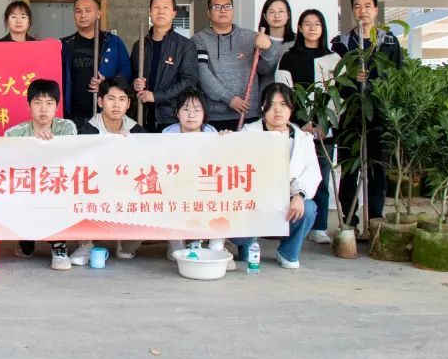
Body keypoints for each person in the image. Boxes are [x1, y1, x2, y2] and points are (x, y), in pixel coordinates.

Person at [330, 0, 403, 234]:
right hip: (351, 115)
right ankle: (349, 221)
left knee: (377, 169)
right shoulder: (341, 43)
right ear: (352, 10)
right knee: (349, 169)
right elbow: (334, 80)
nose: (362, 11)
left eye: (367, 6)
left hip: (379, 115)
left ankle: (375, 221)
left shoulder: (389, 41)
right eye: (357, 6)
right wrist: (352, 78)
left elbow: (398, 77)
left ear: (376, 10)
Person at [232, 83, 321, 269]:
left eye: (283, 104)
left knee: (309, 208)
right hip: (253, 203)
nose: (277, 110)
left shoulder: (303, 139)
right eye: (271, 105)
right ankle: (247, 243)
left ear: (291, 108)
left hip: (285, 203)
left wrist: (299, 195)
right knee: (235, 218)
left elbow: (311, 173)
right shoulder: (248, 133)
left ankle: (288, 252)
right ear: (263, 107)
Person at [276, 9, 340, 245]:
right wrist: (301, 122)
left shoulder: (333, 59)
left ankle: (319, 226)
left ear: (323, 28)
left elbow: (338, 95)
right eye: (307, 23)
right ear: (300, 28)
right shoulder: (289, 57)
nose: (312, 28)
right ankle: (287, 224)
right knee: (291, 176)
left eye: (317, 24)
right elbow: (284, 91)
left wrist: (324, 122)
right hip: (296, 128)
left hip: (324, 129)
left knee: (321, 177)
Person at [3, 78, 78, 270]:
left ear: (57, 107)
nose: (43, 109)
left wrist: (50, 148)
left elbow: (71, 161)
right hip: (27, 187)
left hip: (56, 186)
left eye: (49, 103)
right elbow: (8, 168)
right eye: (37, 103)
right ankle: (26, 237)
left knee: (60, 188)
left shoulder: (67, 128)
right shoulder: (13, 134)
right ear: (28, 106)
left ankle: (59, 246)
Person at [78, 76, 146, 261]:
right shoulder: (86, 130)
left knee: (127, 251)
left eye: (122, 99)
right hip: (95, 191)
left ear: (128, 103)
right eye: (111, 99)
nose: (116, 105)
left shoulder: (137, 132)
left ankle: (125, 242)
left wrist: (131, 149)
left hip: (126, 192)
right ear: (100, 102)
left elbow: (147, 167)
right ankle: (85, 244)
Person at [192, 0, 280, 131]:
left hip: (248, 113)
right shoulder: (199, 40)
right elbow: (202, 74)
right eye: (216, 7)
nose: (223, 10)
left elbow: (266, 69)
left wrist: (268, 48)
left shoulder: (251, 37)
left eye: (227, 6)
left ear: (233, 10)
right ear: (208, 12)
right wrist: (229, 99)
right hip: (214, 116)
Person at [160, 88, 222, 261]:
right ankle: (176, 246)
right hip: (176, 189)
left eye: (197, 110)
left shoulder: (212, 134)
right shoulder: (167, 135)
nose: (191, 115)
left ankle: (217, 247)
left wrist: (227, 140)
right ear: (177, 113)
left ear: (204, 114)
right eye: (186, 109)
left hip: (205, 189)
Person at [130, 0, 198, 131]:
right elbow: (131, 75)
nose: (160, 11)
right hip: (142, 116)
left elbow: (189, 81)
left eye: (165, 7)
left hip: (172, 117)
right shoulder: (140, 45)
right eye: (156, 7)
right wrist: (134, 83)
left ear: (174, 13)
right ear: (150, 12)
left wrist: (156, 96)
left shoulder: (185, 45)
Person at [60, 0, 131, 126]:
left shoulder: (113, 42)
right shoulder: (65, 44)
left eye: (88, 10)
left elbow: (126, 74)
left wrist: (107, 84)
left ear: (98, 14)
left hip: (107, 115)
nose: (82, 15)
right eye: (78, 11)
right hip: (73, 116)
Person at [257, 0, 296, 96]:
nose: (276, 16)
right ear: (265, 16)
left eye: (281, 11)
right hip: (266, 97)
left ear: (288, 15)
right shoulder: (258, 40)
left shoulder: (297, 42)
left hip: (292, 97)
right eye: (272, 12)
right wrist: (267, 48)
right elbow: (264, 70)